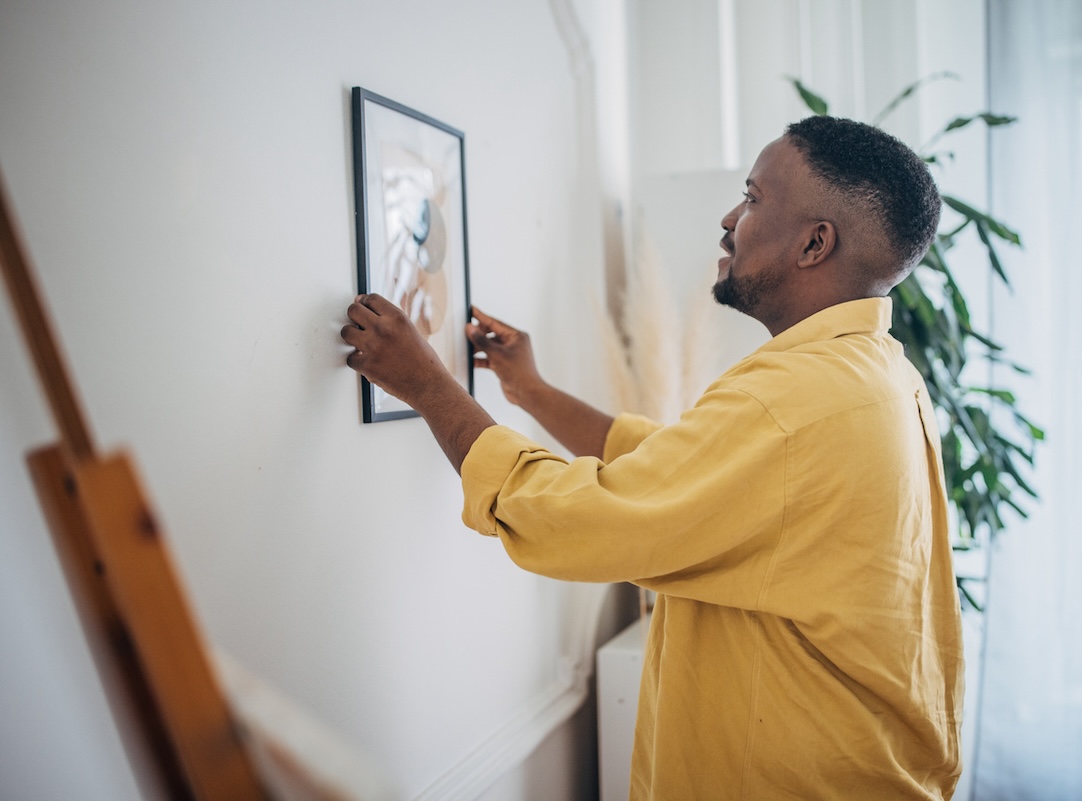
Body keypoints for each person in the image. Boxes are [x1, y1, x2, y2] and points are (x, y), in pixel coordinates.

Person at [341, 116, 964, 800]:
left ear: (816, 243)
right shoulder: (878, 371)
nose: (730, 218)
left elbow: (570, 521)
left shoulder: (793, 400)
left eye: (753, 199)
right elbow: (681, 469)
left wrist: (430, 386)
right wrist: (534, 392)